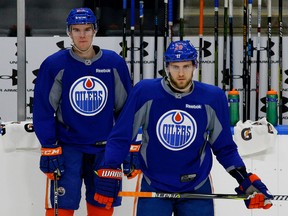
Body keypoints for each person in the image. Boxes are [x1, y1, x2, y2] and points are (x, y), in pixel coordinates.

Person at [93, 40, 274, 215]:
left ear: (195, 66)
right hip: (154, 182)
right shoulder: (145, 93)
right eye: (175, 67)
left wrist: (244, 179)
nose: (181, 73)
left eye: (186, 66)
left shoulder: (212, 98)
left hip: (196, 184)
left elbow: (224, 147)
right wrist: (110, 168)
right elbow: (121, 137)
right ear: (167, 67)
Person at [33, 8, 132, 216]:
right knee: (61, 209)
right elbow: (43, 109)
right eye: (76, 30)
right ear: (69, 32)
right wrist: (49, 146)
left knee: (102, 207)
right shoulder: (55, 65)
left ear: (95, 30)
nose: (82, 35)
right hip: (68, 148)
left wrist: (128, 147)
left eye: (87, 29)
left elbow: (126, 111)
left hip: (104, 151)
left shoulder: (114, 63)